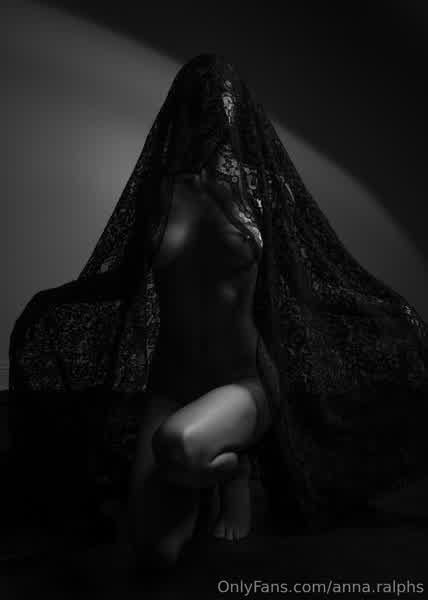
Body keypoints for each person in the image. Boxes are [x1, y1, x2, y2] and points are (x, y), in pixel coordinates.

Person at [9, 54, 428, 570]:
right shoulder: (160, 192)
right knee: (153, 554)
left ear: (240, 110)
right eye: (202, 99)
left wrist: (381, 309)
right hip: (169, 387)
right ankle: (210, 467)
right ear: (181, 110)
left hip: (244, 382)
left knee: (180, 444)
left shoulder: (263, 191)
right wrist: (48, 306)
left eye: (225, 98)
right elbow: (124, 279)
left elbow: (301, 282)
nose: (214, 110)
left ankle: (233, 469)